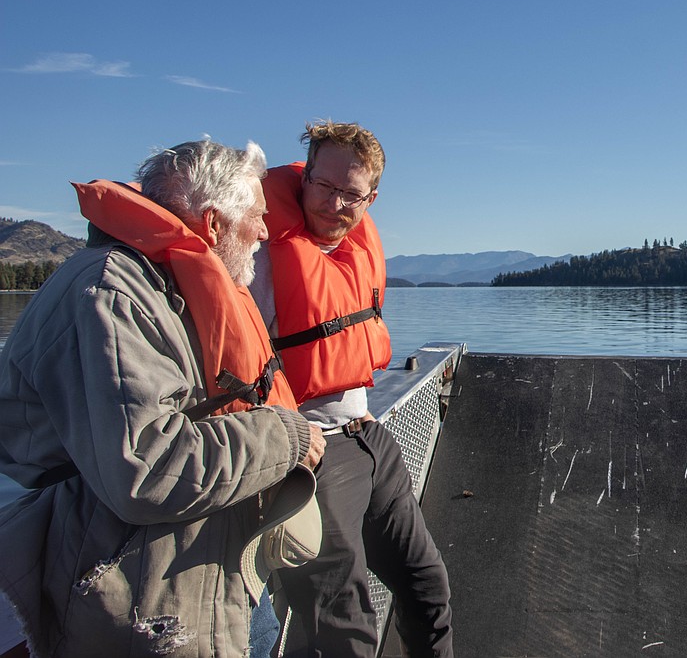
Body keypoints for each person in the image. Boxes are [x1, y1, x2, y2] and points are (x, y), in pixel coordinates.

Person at [0, 140, 326, 657]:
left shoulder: (166, 285)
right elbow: (149, 468)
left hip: (216, 575)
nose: (266, 230)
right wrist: (287, 433)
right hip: (139, 597)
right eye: (258, 216)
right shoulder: (111, 295)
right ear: (215, 223)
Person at [249, 120, 452, 657]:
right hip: (311, 456)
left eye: (351, 194)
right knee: (341, 629)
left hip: (369, 437)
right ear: (305, 175)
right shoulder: (261, 261)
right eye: (324, 185)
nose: (335, 203)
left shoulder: (355, 253)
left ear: (372, 197)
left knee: (427, 587)